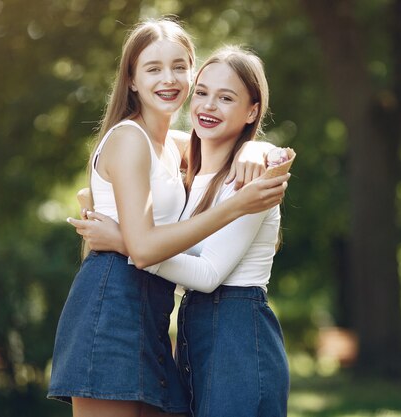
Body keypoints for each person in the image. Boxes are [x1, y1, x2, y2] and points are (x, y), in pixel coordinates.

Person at [47, 19, 288, 417]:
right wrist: (239, 203)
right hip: (113, 307)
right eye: (153, 68)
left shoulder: (172, 146)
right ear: (131, 80)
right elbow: (143, 248)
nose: (169, 78)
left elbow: (231, 141)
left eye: (179, 66)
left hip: (154, 312)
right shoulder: (129, 138)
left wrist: (258, 149)